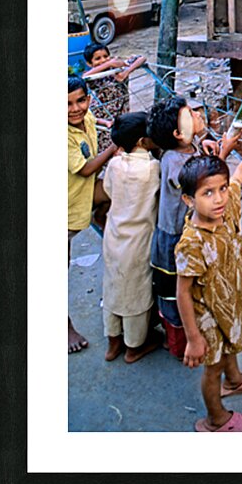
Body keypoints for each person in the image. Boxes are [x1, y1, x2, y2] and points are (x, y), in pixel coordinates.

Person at [175, 122, 242, 433]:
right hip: (206, 316)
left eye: (220, 189)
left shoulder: (227, 208)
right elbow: (183, 293)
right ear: (189, 200)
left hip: (229, 299)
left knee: (230, 343)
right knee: (214, 366)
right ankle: (215, 419)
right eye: (207, 193)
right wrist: (194, 338)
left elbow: (239, 175)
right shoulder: (191, 243)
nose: (219, 198)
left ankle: (234, 380)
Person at [147, 95, 236, 359]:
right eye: (190, 114)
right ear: (178, 133)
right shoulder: (176, 163)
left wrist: (202, 144)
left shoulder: (184, 148)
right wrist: (224, 153)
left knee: (191, 287)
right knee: (176, 292)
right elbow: (204, 184)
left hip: (185, 232)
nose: (197, 114)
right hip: (175, 238)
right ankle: (180, 344)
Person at [101, 112, 163, 364]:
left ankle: (113, 340)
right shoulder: (152, 168)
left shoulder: (115, 164)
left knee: (113, 286)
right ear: (142, 141)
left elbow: (108, 190)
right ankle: (134, 346)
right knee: (136, 293)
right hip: (138, 242)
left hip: (114, 236)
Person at [68, 75, 117, 353]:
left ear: (88, 99)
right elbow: (86, 169)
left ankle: (101, 215)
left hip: (85, 195)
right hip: (65, 208)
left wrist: (106, 123)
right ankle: (65, 327)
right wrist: (114, 146)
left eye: (80, 101)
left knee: (119, 188)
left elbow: (91, 119)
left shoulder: (85, 118)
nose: (75, 109)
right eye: (67, 104)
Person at [82, 43, 147, 150]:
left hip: (122, 110)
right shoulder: (95, 75)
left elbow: (141, 58)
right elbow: (85, 77)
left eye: (106, 56)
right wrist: (109, 63)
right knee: (107, 143)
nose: (103, 60)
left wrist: (126, 72)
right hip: (104, 115)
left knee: (124, 140)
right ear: (89, 63)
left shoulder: (118, 68)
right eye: (98, 58)